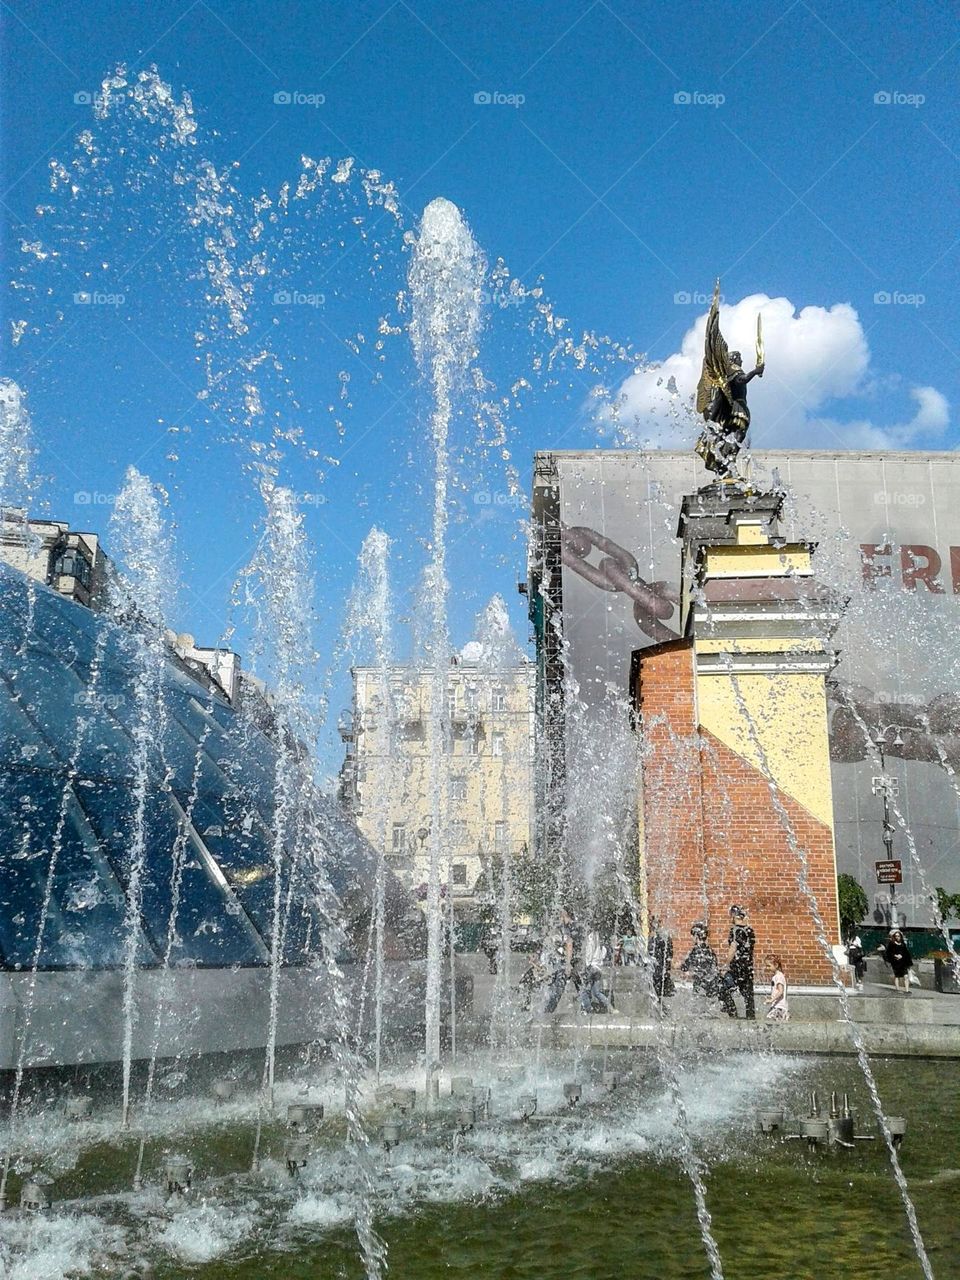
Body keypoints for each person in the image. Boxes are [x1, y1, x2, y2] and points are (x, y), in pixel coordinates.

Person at [680, 920, 733, 1013]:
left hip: (703, 984)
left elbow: (686, 966)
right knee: (710, 1007)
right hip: (712, 983)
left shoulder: (697, 950)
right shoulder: (709, 950)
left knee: (700, 1009)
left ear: (696, 936)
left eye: (692, 935)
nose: (691, 938)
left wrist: (683, 968)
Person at [725, 904, 757, 1019]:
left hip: (736, 967)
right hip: (747, 967)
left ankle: (732, 1013)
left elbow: (733, 948)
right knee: (748, 995)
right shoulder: (750, 931)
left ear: (733, 916)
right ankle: (751, 1017)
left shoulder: (735, 931)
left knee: (722, 986)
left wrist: (726, 965)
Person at [543, 906, 576, 1014]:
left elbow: (568, 944)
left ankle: (545, 1012)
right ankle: (546, 1012)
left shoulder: (561, 928)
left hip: (555, 962)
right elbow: (568, 945)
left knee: (553, 988)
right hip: (557, 962)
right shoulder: (564, 928)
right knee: (557, 989)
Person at [580, 925, 612, 1014]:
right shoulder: (600, 941)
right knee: (596, 992)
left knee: (584, 991)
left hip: (591, 967)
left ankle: (588, 1010)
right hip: (598, 969)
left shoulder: (590, 938)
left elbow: (589, 953)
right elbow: (603, 955)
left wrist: (587, 965)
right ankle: (609, 1007)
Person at [648, 916, 675, 1006]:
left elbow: (669, 953)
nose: (653, 926)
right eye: (652, 923)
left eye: (655, 923)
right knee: (655, 987)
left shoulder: (664, 937)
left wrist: (667, 966)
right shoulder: (652, 938)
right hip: (654, 967)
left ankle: (662, 1007)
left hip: (660, 967)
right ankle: (659, 1006)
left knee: (660, 988)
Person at [879, 928, 913, 993]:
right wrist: (895, 956)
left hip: (903, 962)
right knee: (897, 975)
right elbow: (889, 952)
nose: (897, 937)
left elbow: (906, 953)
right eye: (896, 936)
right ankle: (897, 989)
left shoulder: (903, 944)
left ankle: (907, 990)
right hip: (896, 962)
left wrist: (902, 956)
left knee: (905, 976)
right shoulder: (892, 944)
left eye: (898, 936)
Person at [764, 954, 789, 1021]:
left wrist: (771, 1000)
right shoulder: (777, 976)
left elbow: (781, 991)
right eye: (766, 966)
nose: (767, 968)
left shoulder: (778, 976)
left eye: (769, 966)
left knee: (770, 1025)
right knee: (775, 1026)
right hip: (778, 1006)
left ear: (776, 965)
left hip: (779, 1007)